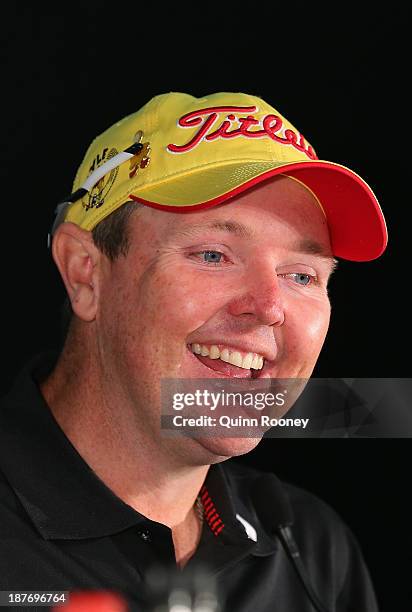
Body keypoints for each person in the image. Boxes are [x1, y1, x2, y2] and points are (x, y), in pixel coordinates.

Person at [0, 92, 387, 611]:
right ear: (84, 273)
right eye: (213, 254)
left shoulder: (313, 550)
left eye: (302, 275)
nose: (271, 307)